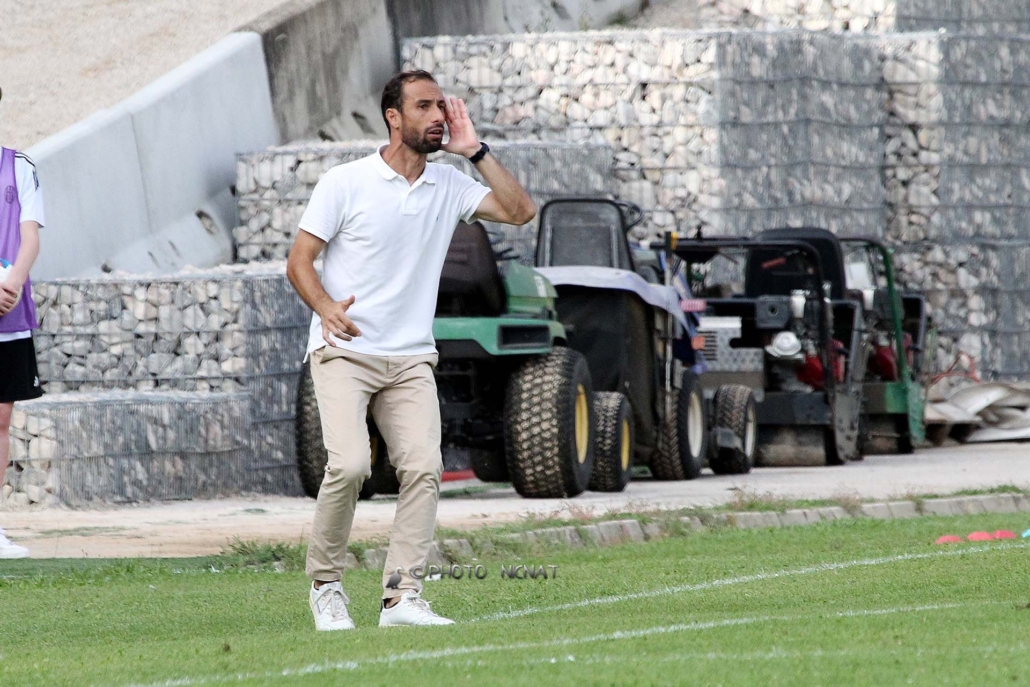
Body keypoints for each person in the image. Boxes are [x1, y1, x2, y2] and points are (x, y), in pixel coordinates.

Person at [286, 70, 535, 630]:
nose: (438, 116)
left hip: (411, 358)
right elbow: (299, 261)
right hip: (344, 351)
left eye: (441, 106)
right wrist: (325, 307)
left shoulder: (449, 184)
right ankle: (326, 587)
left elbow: (520, 211)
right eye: (424, 106)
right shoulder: (345, 182)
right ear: (393, 117)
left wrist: (476, 152)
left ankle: (400, 599)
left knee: (423, 468)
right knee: (350, 466)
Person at [0, 87, 45, 559]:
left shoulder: (19, 166)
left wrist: (10, 283)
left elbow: (29, 237)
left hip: (8, 312)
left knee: (1, 417)